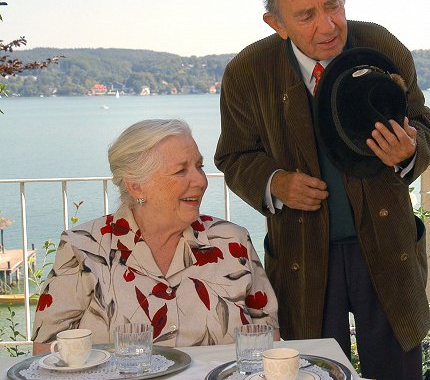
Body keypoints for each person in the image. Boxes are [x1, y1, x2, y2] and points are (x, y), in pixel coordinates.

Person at [214, 0, 430, 379]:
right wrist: (275, 182)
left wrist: (410, 151)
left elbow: (424, 127)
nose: (328, 25)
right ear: (276, 24)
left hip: (387, 250)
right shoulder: (247, 72)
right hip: (302, 256)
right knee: (310, 371)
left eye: (333, 5)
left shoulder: (381, 46)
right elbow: (233, 156)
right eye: (306, 15)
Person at [32, 119, 278, 353]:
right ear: (136, 186)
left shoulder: (232, 243)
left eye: (199, 166)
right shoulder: (83, 247)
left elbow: (268, 340)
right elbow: (47, 350)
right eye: (181, 171)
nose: (201, 181)